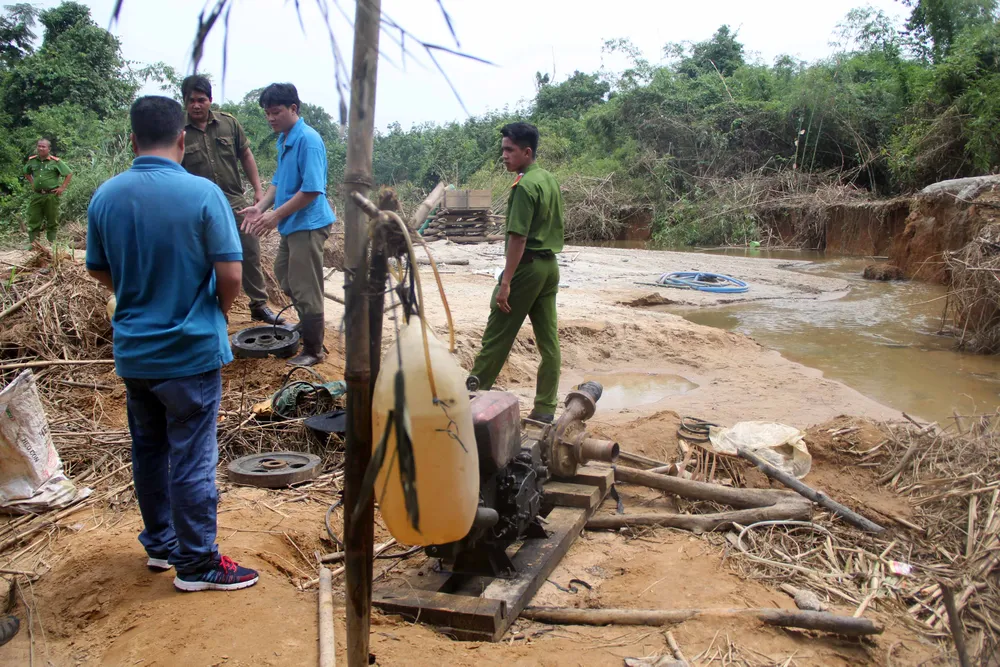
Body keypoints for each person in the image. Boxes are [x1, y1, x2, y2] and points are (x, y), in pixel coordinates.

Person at [86, 96, 259, 592]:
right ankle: (199, 562)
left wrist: (134, 288)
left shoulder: (106, 197)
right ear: (183, 139)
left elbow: (98, 268)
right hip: (188, 352)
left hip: (135, 352)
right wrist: (217, 313)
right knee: (192, 456)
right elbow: (230, 271)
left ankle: (161, 544)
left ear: (133, 140)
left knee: (149, 450)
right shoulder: (203, 195)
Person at [467, 123, 565, 423]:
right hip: (549, 268)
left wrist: (505, 282)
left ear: (527, 152)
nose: (504, 156)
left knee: (497, 336)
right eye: (503, 150)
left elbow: (518, 238)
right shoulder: (547, 179)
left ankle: (470, 398)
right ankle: (545, 408)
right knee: (549, 343)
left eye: (510, 150)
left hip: (526, 269)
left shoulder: (524, 186)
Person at [242, 83, 335, 367]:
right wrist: (260, 208)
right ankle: (308, 324)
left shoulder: (308, 140)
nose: (270, 118)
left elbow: (311, 190)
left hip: (308, 224)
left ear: (293, 109)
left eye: (276, 112)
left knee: (306, 286)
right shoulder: (285, 139)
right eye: (267, 113)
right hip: (293, 225)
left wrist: (274, 216)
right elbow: (278, 182)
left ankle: (314, 350)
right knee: (284, 273)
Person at [180, 75, 284, 326]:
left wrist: (259, 191)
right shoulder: (177, 131)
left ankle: (258, 304)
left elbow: (246, 155)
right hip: (197, 205)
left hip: (235, 201)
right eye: (191, 100)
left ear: (210, 100)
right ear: (185, 102)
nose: (196, 105)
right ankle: (213, 310)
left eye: (201, 100)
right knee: (202, 256)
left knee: (249, 250)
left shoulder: (229, 124)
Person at [23, 138, 72, 245]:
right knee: (33, 219)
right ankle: (34, 245)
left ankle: (52, 246)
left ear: (49, 149)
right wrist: (32, 183)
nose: (41, 148)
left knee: (52, 221)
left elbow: (68, 173)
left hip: (51, 195)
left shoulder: (55, 162)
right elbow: (26, 172)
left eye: (43, 146)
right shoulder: (32, 160)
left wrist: (62, 188)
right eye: (39, 146)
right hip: (37, 195)